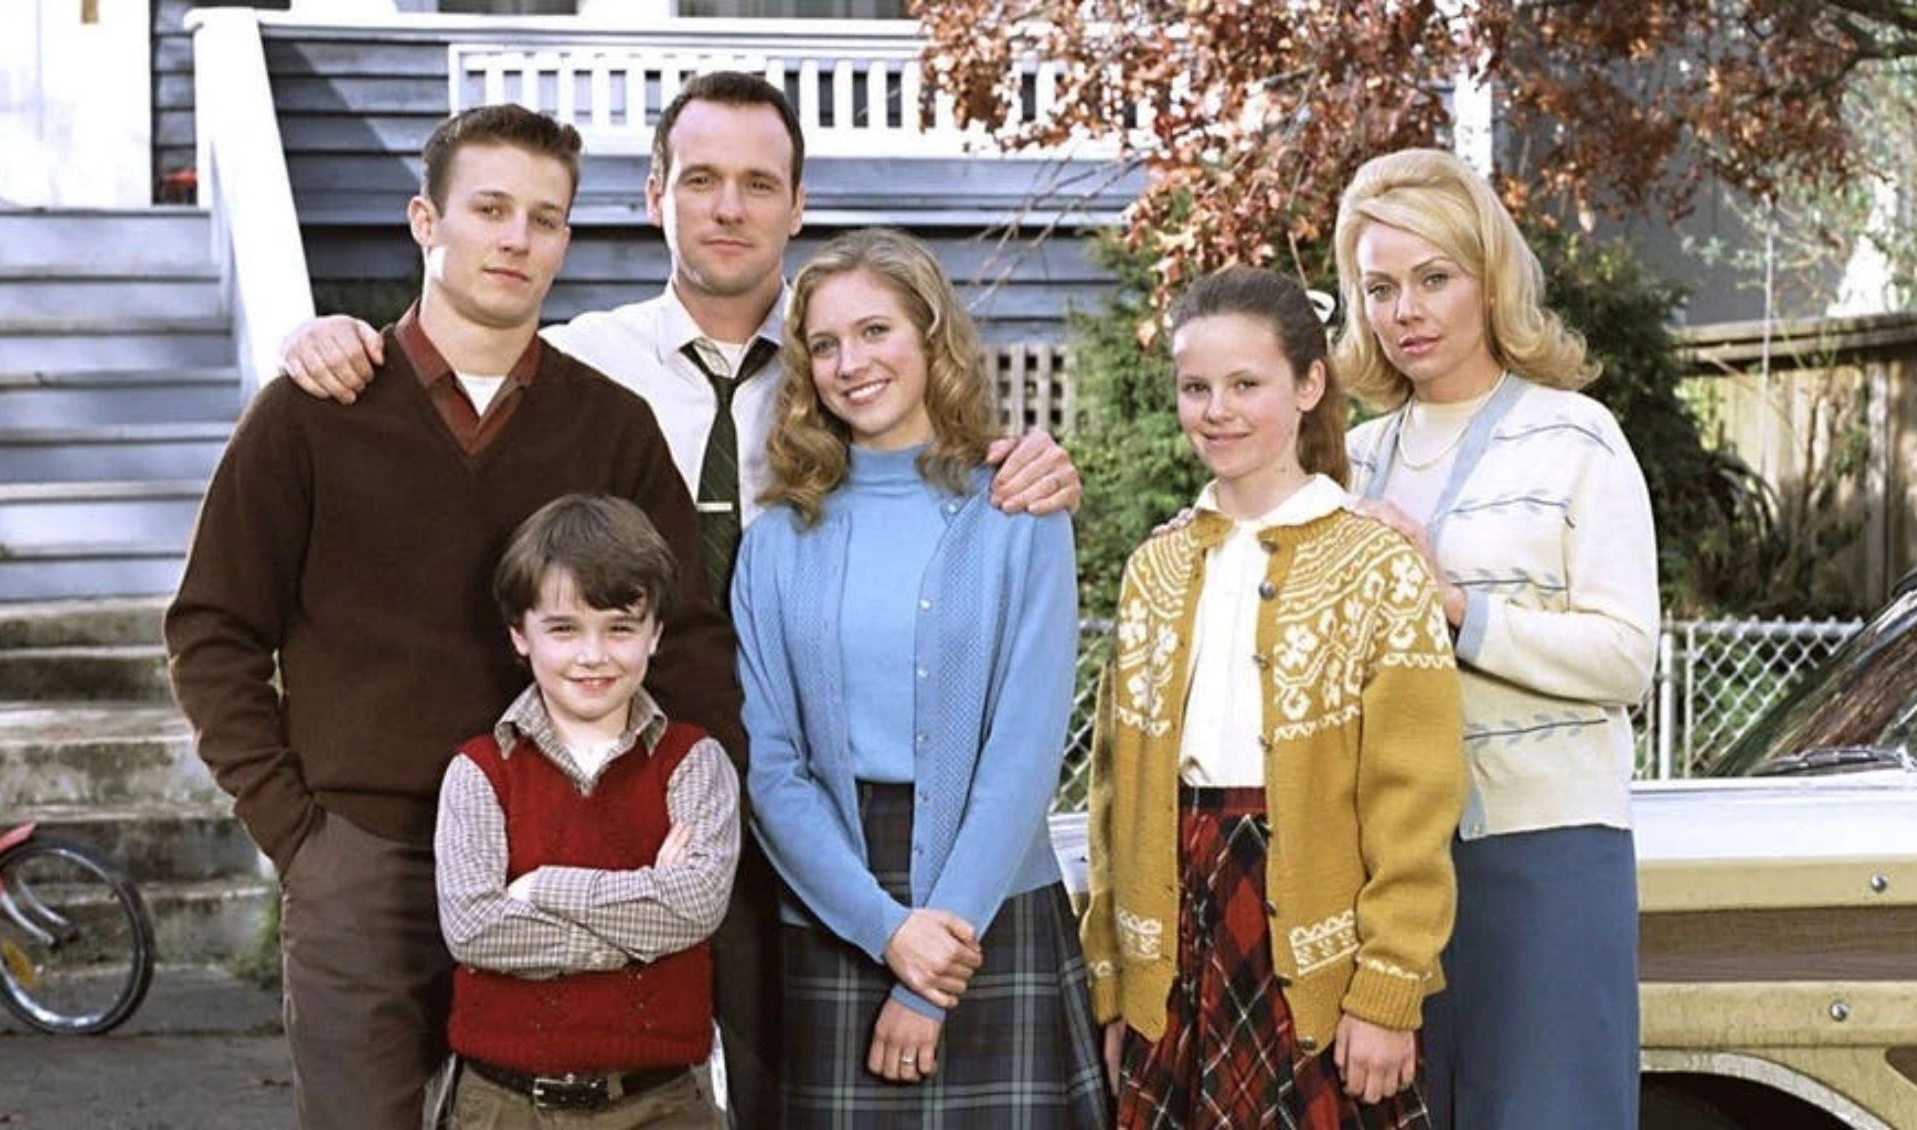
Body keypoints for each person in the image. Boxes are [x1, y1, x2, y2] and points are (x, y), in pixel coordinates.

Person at [273, 75, 1082, 1123]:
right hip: (609, 792)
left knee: (784, 1093)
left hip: (802, 815)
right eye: (700, 179)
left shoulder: (845, 353)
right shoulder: (569, 367)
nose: (729, 207)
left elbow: (948, 506)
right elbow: (447, 375)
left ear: (798, 205)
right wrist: (331, 338)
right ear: (655, 192)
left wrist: (1037, 467)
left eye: (759, 182)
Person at [165, 104, 741, 1130]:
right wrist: (299, 835)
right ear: (426, 220)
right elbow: (212, 629)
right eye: (490, 208)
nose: (518, 238)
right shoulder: (311, 412)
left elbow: (686, 635)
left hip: (576, 860)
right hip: (369, 855)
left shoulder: (609, 425)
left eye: (546, 217)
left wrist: (691, 822)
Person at [733, 227, 1110, 1126]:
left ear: (931, 337)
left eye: (875, 332)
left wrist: (934, 969)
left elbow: (1023, 753)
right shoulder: (777, 543)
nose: (849, 363)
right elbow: (773, 769)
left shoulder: (1019, 512)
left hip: (989, 902)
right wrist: (885, 930)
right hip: (836, 906)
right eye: (824, 345)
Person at [1083, 265, 1465, 1129]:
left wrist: (1388, 988)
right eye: (1195, 387)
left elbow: (1418, 800)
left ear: (1308, 385)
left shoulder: (1376, 565)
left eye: (1245, 384)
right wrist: (1119, 982)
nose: (1216, 410)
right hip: (1175, 933)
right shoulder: (1157, 566)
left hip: (1316, 944)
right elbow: (1112, 798)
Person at [1333, 148, 1661, 1129]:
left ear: (1490, 279)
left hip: (1544, 858)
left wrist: (1458, 608)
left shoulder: (1577, 437)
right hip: (1378, 869)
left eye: (1434, 278)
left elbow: (1624, 659)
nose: (1406, 311)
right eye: (1380, 287)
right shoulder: (1347, 460)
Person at [434, 494, 739, 1129]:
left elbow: (697, 906)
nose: (593, 655)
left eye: (620, 628)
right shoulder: (478, 772)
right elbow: (474, 929)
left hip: (662, 1104)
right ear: (520, 634)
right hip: (505, 1104)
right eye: (564, 628)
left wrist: (543, 887)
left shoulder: (694, 762)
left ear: (655, 633)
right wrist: (640, 928)